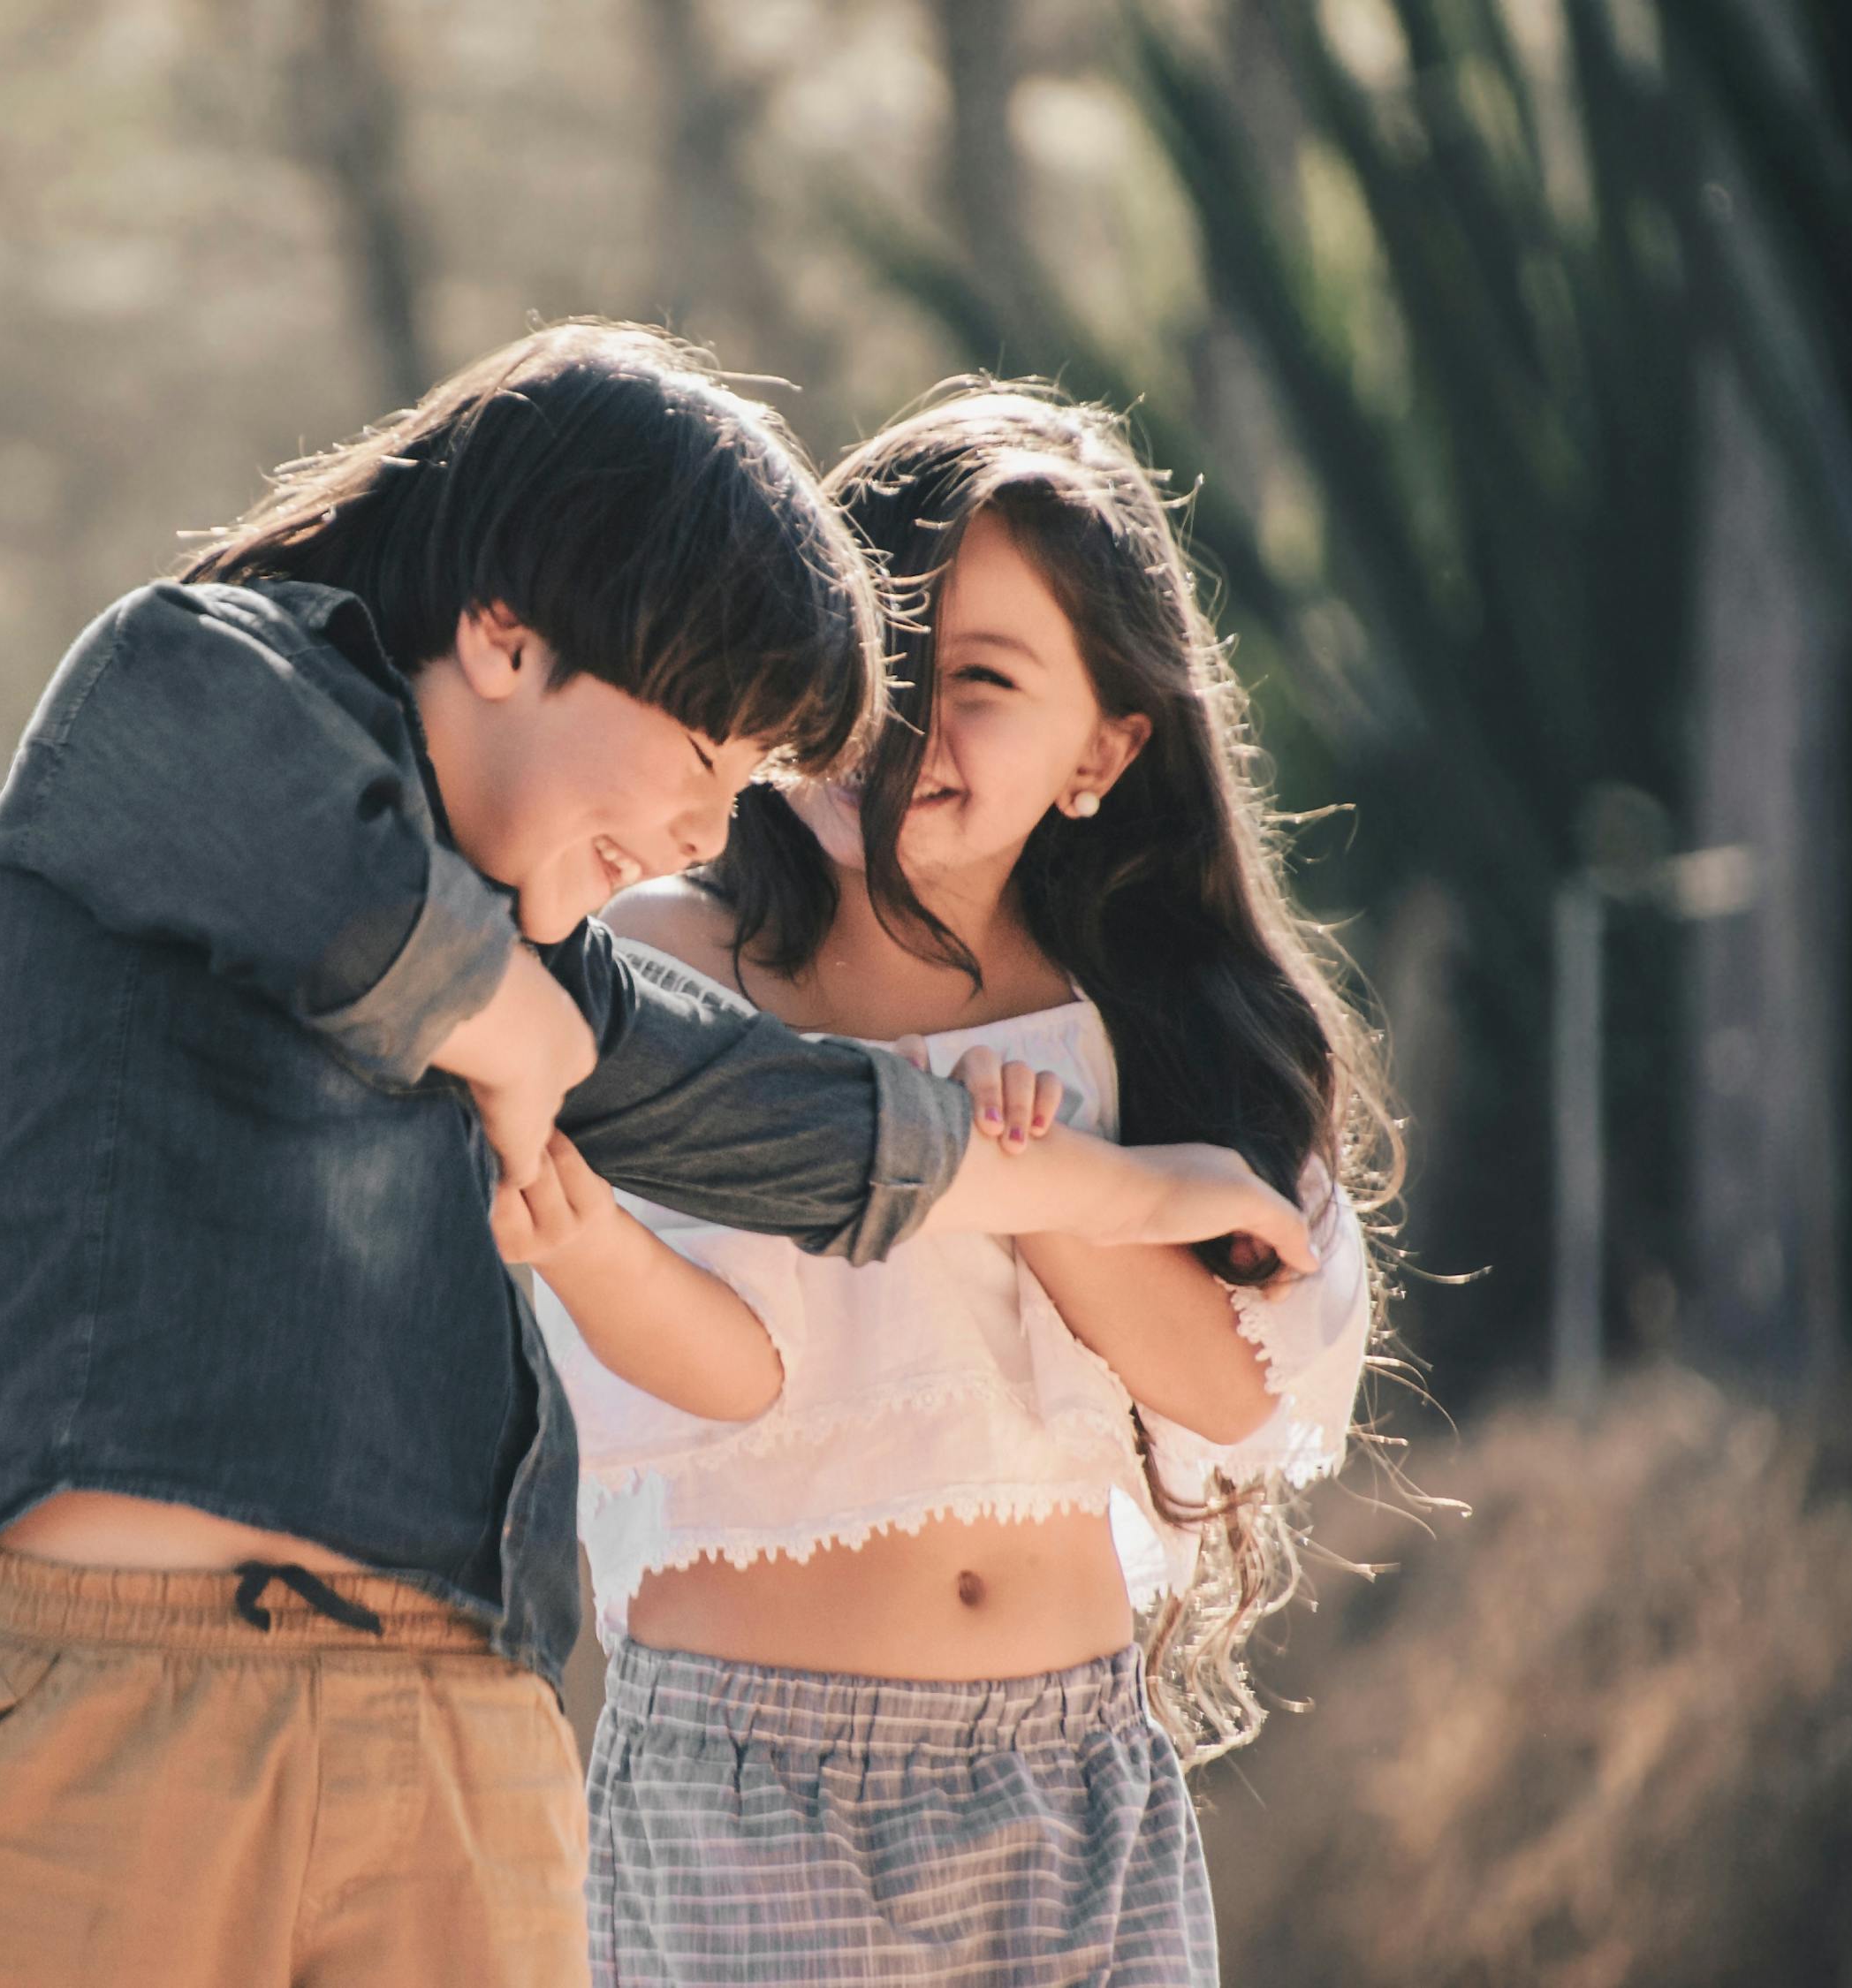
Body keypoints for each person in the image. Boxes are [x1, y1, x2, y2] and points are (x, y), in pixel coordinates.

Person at [0, 330, 1318, 1988]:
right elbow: (318, 872)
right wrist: (500, 1012)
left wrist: (1131, 1190)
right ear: (505, 633)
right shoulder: (176, 682)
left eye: (749, 782)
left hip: (463, 1738)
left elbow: (807, 1121)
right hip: (105, 1713)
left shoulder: (572, 972)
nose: (708, 832)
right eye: (705, 758)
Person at [521, 379, 1393, 1987]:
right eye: (881, 657)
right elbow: (682, 1376)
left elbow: (1236, 1396)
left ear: (1105, 749)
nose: (907, 723)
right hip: (749, 1791)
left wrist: (1046, 1178)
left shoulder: (1157, 1026)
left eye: (979, 680)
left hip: (1076, 1782)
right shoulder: (652, 968)